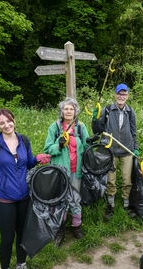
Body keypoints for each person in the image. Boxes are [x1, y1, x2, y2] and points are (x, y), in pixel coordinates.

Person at [0, 108, 51, 269]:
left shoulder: (24, 141)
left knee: (22, 234)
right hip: (4, 198)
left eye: (8, 121)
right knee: (7, 238)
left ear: (14, 120)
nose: (6, 125)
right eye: (2, 123)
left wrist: (36, 159)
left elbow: (27, 164)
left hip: (24, 197)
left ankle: (21, 264)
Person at [43, 97, 90, 248]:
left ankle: (76, 226)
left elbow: (87, 146)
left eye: (71, 109)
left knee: (75, 199)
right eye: (66, 109)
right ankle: (60, 230)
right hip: (60, 172)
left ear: (76, 111)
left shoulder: (81, 127)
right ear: (61, 111)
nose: (68, 111)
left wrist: (92, 142)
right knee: (60, 200)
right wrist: (59, 145)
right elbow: (48, 149)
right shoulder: (55, 127)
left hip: (76, 171)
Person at [92, 83, 139, 220]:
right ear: (115, 94)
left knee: (127, 179)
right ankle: (110, 205)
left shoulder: (130, 112)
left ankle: (126, 204)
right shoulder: (107, 110)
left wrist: (135, 147)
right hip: (110, 151)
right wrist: (95, 119)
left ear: (127, 96)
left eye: (124, 94)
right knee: (111, 180)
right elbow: (97, 130)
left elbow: (134, 132)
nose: (121, 96)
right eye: (119, 94)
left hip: (126, 150)